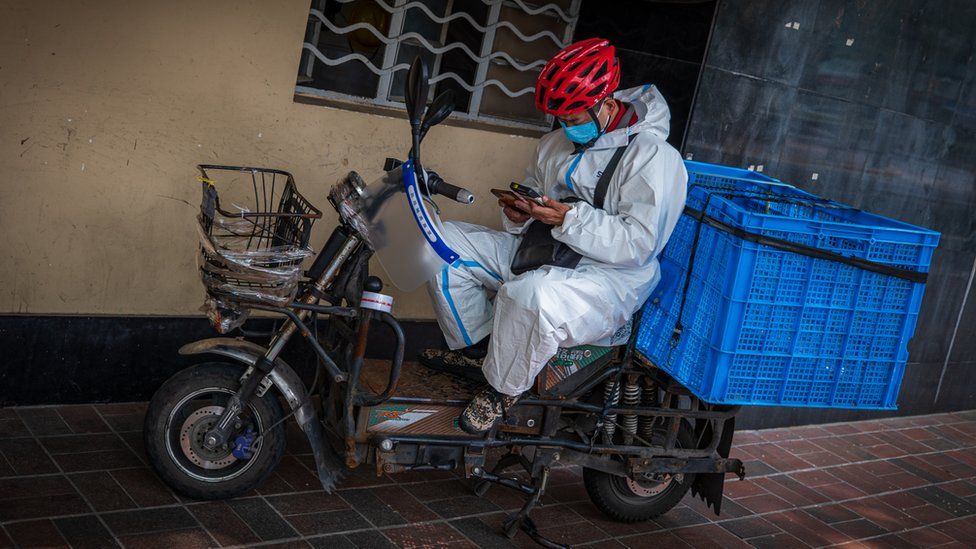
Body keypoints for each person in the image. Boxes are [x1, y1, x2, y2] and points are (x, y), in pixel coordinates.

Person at [419, 37, 688, 434]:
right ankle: (483, 351)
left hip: (605, 280)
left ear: (606, 103)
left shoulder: (654, 159)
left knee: (528, 296)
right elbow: (532, 197)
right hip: (541, 251)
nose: (566, 127)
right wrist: (517, 214)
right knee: (437, 243)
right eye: (560, 118)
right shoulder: (554, 144)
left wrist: (569, 218)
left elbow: (640, 245)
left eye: (574, 118)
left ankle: (502, 389)